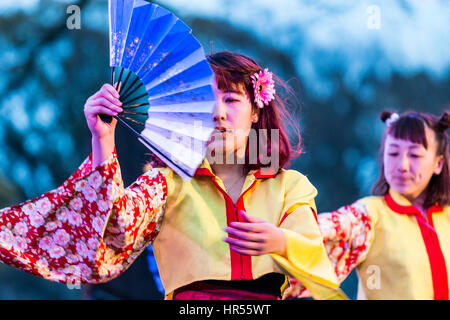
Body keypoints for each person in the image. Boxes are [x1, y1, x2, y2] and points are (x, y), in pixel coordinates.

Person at [0, 51, 344, 300]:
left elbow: (313, 251)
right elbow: (116, 226)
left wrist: (281, 241)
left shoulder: (290, 186)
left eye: (231, 99)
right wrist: (103, 139)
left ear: (256, 111)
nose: (217, 113)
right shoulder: (168, 182)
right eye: (206, 100)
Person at [284, 110, 450, 300]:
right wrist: (286, 237)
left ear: (438, 164)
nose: (402, 165)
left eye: (414, 155)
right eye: (393, 153)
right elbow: (332, 225)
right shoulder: (370, 215)